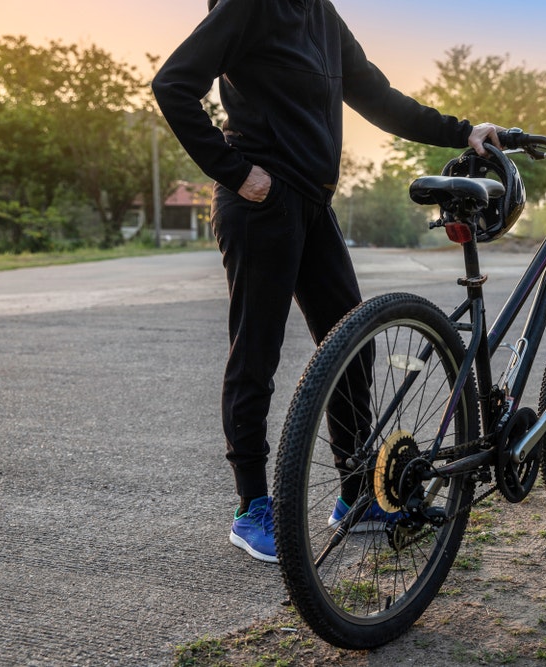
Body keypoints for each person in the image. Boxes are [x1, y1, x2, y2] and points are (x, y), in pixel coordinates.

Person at [152, 0, 503, 563]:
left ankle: (355, 492)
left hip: (313, 204)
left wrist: (464, 132)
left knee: (352, 350)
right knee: (257, 356)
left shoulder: (321, 13)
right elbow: (172, 83)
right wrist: (237, 173)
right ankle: (252, 509)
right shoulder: (250, 7)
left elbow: (379, 99)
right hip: (261, 203)